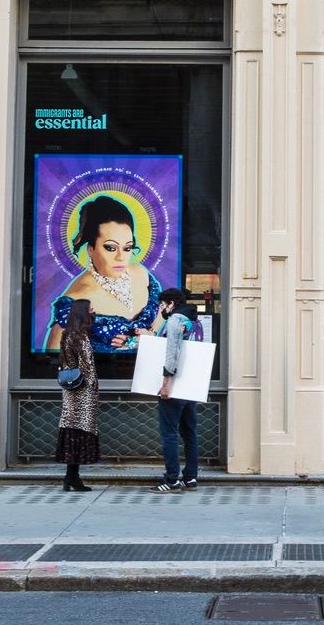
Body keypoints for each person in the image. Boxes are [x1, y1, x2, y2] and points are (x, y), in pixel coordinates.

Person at [44, 196, 162, 353]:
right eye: (111, 248)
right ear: (91, 249)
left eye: (127, 248)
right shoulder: (78, 300)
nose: (121, 257)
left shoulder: (141, 273)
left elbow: (162, 309)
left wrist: (149, 335)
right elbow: (52, 363)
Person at [148, 288, 200, 494]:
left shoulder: (175, 320)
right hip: (190, 384)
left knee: (169, 433)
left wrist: (166, 382)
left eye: (162, 305)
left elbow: (172, 352)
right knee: (190, 433)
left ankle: (171, 480)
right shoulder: (193, 321)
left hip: (175, 385)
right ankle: (191, 477)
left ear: (170, 304)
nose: (161, 309)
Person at [56, 298, 100, 492]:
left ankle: (71, 477)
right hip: (83, 393)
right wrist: (93, 388)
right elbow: (87, 367)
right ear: (83, 313)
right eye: (90, 309)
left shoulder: (67, 335)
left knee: (72, 432)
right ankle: (72, 478)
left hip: (71, 391)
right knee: (80, 432)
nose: (93, 312)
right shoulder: (80, 337)